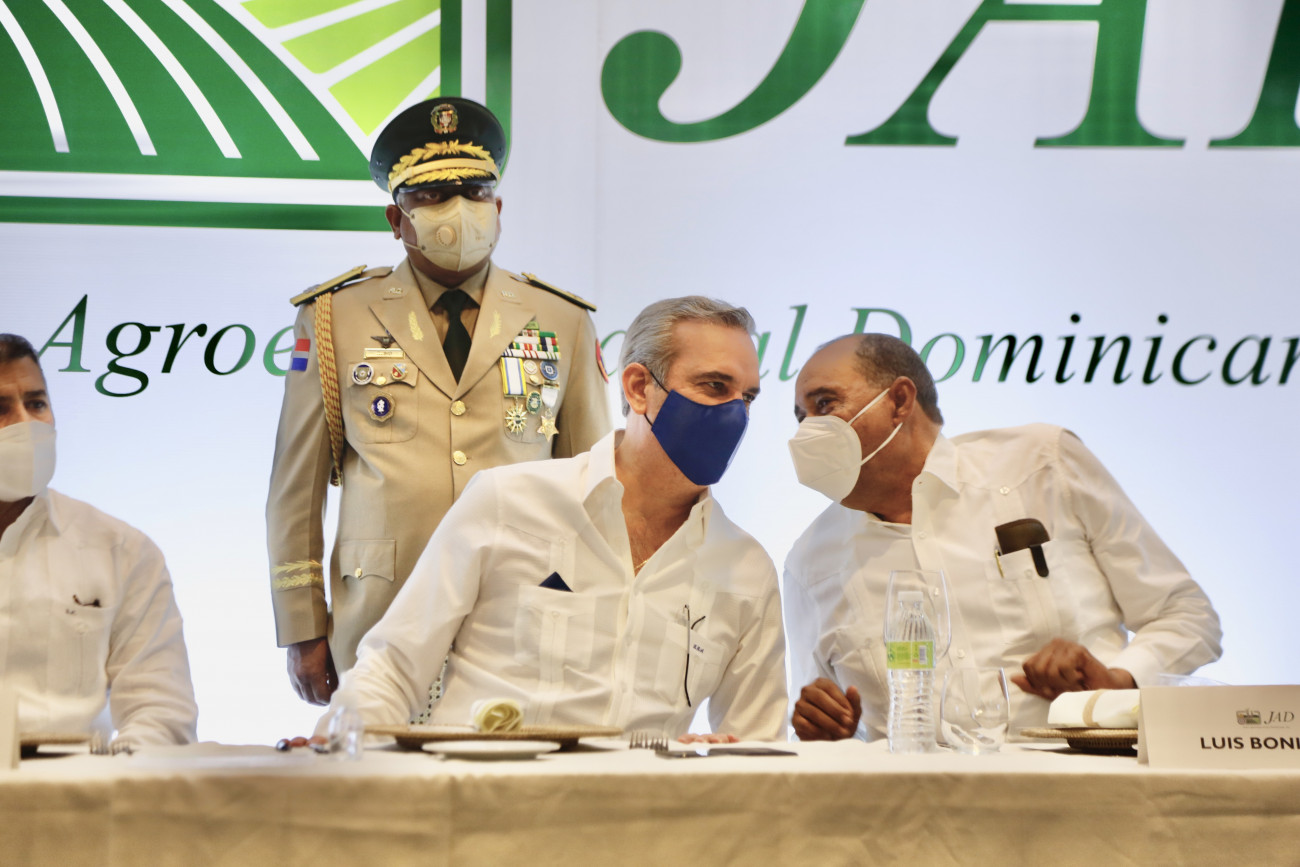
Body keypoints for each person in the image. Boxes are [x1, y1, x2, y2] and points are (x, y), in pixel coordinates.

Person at [266, 97, 611, 705]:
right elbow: (296, 491)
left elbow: (595, 488)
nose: (459, 210)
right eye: (431, 195)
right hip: (378, 614)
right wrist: (301, 627)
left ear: (498, 210)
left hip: (522, 612)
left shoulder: (562, 319)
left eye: (475, 192)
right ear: (396, 220)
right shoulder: (332, 316)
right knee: (377, 765)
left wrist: (597, 615)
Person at [314, 297, 786, 740]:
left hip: (639, 801)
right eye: (714, 387)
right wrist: (337, 750)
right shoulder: (507, 500)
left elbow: (757, 743)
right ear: (639, 388)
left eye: (747, 397)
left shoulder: (746, 569)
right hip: (482, 792)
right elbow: (393, 667)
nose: (735, 414)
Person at [783, 333, 1221, 740]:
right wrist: (826, 730)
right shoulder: (810, 561)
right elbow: (829, 719)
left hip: (1084, 781)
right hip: (916, 796)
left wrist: (1119, 681)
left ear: (899, 400)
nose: (807, 432)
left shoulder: (1041, 465)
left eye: (825, 404)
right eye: (801, 417)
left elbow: (1187, 616)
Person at [0, 334, 197, 747]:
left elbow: (160, 709)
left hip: (74, 781)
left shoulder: (122, 551)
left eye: (36, 403)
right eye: (1, 409)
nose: (26, 424)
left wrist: (115, 776)